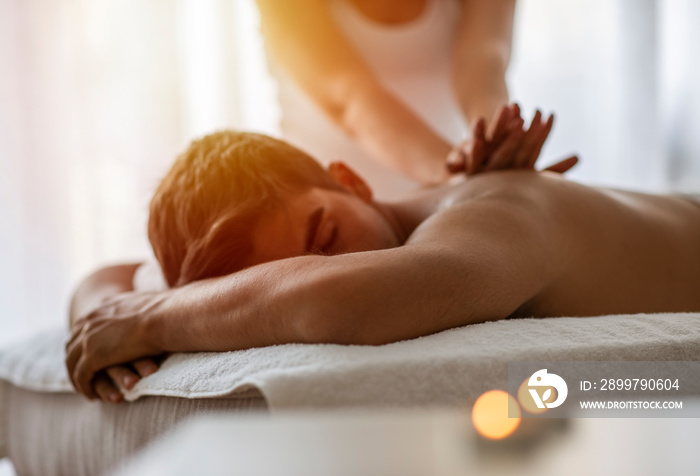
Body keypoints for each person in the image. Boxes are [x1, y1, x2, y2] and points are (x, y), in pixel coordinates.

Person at [66, 113, 700, 404]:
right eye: (267, 279)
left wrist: (150, 321)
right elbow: (113, 279)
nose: (338, 264)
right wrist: (109, 313)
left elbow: (350, 298)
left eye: (326, 238)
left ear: (351, 179)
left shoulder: (493, 210)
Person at [256, 0, 517, 198]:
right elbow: (350, 100)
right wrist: (455, 167)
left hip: (446, 194)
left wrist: (497, 140)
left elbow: (482, 61)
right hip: (329, 209)